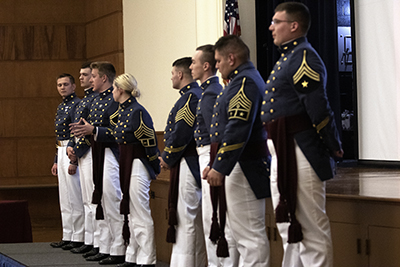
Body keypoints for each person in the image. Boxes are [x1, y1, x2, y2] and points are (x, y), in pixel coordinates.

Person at [261, 3, 344, 267]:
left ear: (294, 26)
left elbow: (317, 106)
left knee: (310, 227)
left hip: (301, 148)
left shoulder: (304, 57)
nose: (271, 27)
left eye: (277, 21)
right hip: (283, 149)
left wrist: (333, 144)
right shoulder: (289, 57)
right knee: (289, 224)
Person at [204, 35, 271, 266]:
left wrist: (220, 166)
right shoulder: (240, 81)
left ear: (231, 58)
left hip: (245, 165)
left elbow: (237, 128)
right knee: (243, 235)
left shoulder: (245, 83)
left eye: (219, 61)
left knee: (250, 236)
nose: (217, 66)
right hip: (240, 164)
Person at [70, 61, 126, 265]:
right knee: (99, 201)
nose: (90, 79)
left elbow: (119, 133)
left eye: (93, 76)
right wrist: (76, 147)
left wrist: (93, 131)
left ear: (104, 78)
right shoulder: (95, 101)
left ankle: (118, 247)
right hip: (95, 153)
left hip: (110, 154)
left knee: (111, 201)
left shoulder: (114, 101)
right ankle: (105, 245)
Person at [190, 44, 239, 266]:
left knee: (216, 216)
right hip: (207, 154)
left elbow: (215, 134)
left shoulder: (210, 93)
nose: (191, 67)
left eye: (194, 62)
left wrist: (214, 163)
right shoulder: (208, 91)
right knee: (212, 215)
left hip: (210, 155)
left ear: (206, 65)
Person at [159, 57, 206, 267]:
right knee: (190, 220)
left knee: (187, 218)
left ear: (180, 74)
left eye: (172, 74)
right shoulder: (190, 96)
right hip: (187, 161)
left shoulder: (190, 98)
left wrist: (168, 157)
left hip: (188, 161)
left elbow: (181, 133)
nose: (171, 78)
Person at [67, 62, 104, 257]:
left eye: (85, 75)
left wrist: (78, 150)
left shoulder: (97, 100)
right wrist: (72, 147)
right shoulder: (85, 100)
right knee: (84, 200)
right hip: (80, 150)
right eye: (80, 75)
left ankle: (96, 241)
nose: (81, 78)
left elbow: (92, 128)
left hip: (90, 151)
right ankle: (89, 239)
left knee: (92, 201)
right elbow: (77, 129)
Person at [50, 73, 85, 250]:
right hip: (61, 149)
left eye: (65, 84)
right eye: (59, 85)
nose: (62, 87)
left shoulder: (77, 105)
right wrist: (57, 160)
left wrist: (74, 160)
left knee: (74, 195)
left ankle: (79, 236)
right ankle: (68, 234)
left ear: (73, 86)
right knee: (64, 196)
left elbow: (76, 133)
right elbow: (59, 136)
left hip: (71, 151)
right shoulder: (61, 106)